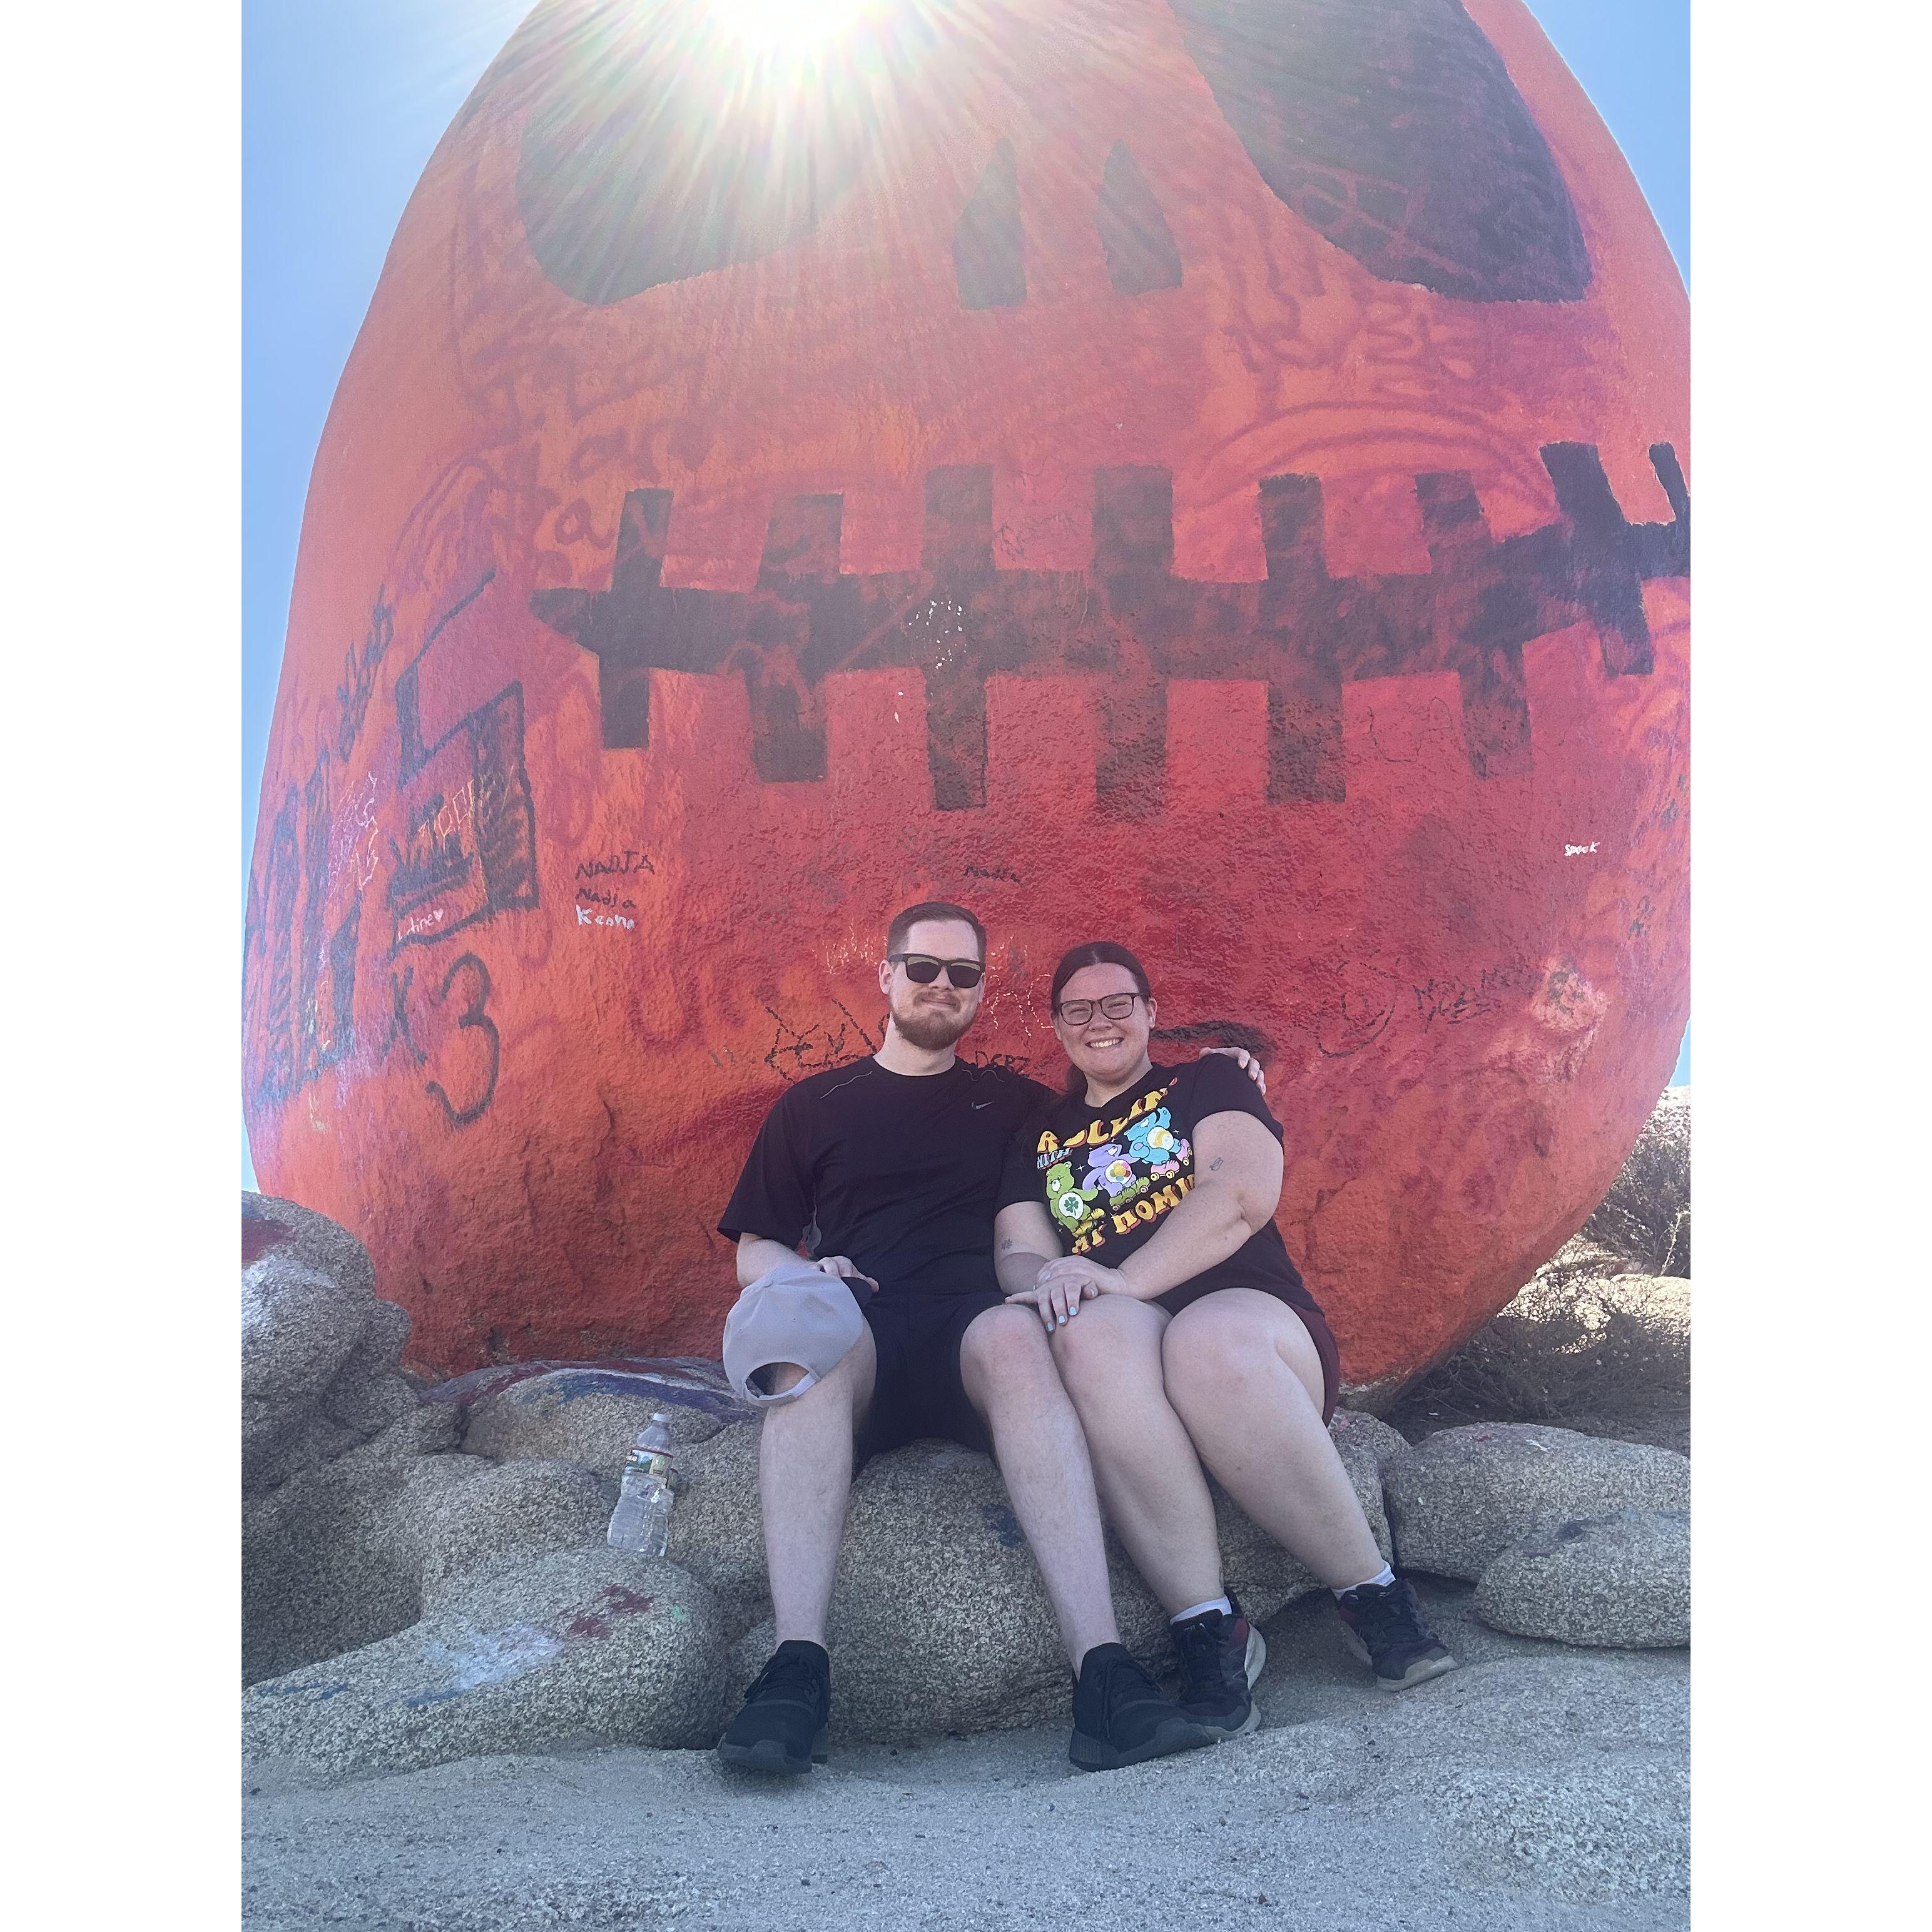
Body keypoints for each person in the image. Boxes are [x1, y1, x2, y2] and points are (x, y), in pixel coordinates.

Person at [713, 902, 1268, 1777]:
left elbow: (1124, 1119)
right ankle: (794, 1672)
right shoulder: (815, 1104)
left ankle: (1103, 1674)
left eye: (961, 974)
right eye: (923, 968)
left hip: (979, 1324)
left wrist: (1226, 1078)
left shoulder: (1018, 1106)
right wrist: (801, 1274)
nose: (941, 986)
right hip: (863, 1320)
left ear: (980, 993)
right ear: (887, 976)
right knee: (801, 1356)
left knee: (1018, 1341)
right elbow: (756, 1247)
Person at [992, 940, 1456, 1742]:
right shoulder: (1039, 1135)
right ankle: (1209, 1627)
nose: (1099, 1022)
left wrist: (1128, 1276)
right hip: (1128, 1327)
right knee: (1086, 1335)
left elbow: (1241, 1192)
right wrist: (1051, 1277)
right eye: (1078, 1008)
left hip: (1255, 1326)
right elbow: (1016, 1248)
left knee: (1204, 1340)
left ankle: (1373, 1593)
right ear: (1057, 1025)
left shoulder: (1206, 1081)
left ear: (1149, 1012)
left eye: (1117, 1003)